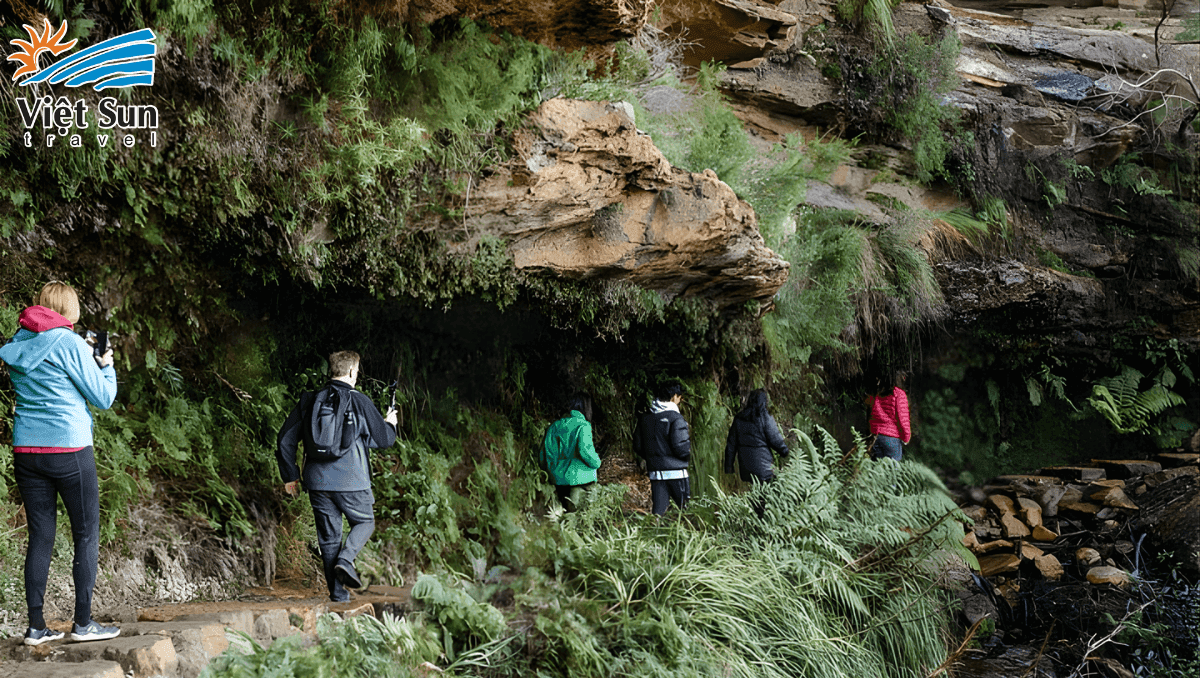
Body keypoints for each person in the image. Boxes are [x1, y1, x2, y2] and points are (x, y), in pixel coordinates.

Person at [0, 282, 120, 645]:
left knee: (40, 537)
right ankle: (83, 623)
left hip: (27, 451)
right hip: (69, 449)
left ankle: (36, 627)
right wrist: (106, 366)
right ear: (70, 310)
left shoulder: (18, 343)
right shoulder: (70, 343)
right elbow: (103, 397)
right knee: (86, 533)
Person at [276, 351, 397, 602]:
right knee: (365, 522)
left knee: (329, 539)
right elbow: (384, 439)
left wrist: (290, 476)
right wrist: (390, 423)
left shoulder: (310, 401)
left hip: (317, 482)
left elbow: (285, 439)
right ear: (352, 371)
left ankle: (339, 597)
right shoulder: (359, 401)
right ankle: (346, 560)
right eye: (357, 371)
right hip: (352, 481)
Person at [632, 382, 691, 515]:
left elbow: (638, 445)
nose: (680, 400)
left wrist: (653, 458)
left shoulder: (645, 418)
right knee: (685, 513)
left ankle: (656, 529)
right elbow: (681, 447)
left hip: (656, 473)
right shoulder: (676, 418)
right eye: (679, 397)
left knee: (659, 513)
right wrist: (687, 456)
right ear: (674, 396)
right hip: (677, 473)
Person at [540, 392, 601, 512]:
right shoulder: (583, 426)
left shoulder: (554, 426)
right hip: (580, 478)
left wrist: (549, 472)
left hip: (557, 477)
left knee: (564, 509)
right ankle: (578, 504)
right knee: (584, 504)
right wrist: (597, 463)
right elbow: (585, 451)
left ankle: (565, 507)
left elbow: (544, 455)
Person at [723, 389, 788, 483]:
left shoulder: (739, 418)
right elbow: (775, 439)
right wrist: (785, 452)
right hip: (764, 470)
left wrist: (729, 466)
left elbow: (731, 445)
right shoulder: (765, 418)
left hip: (745, 470)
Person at [868, 371, 911, 461]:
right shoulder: (899, 394)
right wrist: (906, 437)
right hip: (891, 438)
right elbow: (903, 419)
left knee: (877, 467)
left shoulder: (877, 392)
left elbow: (872, 414)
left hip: (876, 436)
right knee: (892, 468)